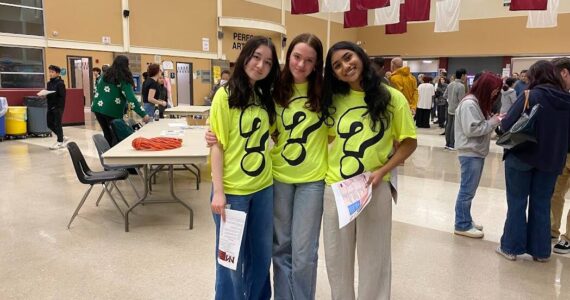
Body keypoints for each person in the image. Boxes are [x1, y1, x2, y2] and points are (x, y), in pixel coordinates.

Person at [322, 41, 417, 300]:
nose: (345, 66)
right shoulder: (334, 100)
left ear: (361, 56)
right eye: (337, 65)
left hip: (374, 187)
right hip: (336, 189)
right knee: (336, 259)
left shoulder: (391, 98)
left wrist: (383, 170)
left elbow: (409, 142)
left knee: (374, 259)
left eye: (348, 57)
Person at [209, 36, 280, 300]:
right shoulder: (224, 96)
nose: (261, 65)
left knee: (261, 257)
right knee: (230, 261)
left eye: (268, 62)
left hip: (263, 189)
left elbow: (276, 135)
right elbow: (217, 145)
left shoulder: (265, 98)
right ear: (245, 57)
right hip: (232, 193)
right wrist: (219, 191)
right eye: (256, 57)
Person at [269, 33, 327, 300]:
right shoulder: (274, 90)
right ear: (288, 55)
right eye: (296, 57)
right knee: (281, 247)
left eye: (309, 60)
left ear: (316, 65)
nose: (301, 64)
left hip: (312, 181)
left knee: (304, 253)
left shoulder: (326, 93)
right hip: (280, 176)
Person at [497, 60, 570, 262]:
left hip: (522, 155)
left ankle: (511, 248)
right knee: (542, 203)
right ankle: (541, 251)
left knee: (517, 202)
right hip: (552, 160)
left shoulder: (531, 95)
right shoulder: (567, 100)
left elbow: (507, 125)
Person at [453, 73, 504, 238]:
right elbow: (472, 129)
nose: (495, 94)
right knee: (467, 191)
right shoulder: (470, 104)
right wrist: (493, 121)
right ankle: (461, 224)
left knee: (469, 190)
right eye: (494, 90)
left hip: (475, 152)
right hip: (470, 153)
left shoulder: (476, 103)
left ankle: (465, 219)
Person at [91, 55, 150, 146]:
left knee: (107, 133)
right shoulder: (123, 78)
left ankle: (108, 154)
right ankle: (114, 155)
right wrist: (143, 114)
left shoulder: (105, 75)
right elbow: (131, 99)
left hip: (97, 108)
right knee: (116, 135)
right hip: (111, 110)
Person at [550, 57, 570, 254]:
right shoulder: (560, 94)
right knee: (556, 193)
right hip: (563, 152)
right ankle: (552, 229)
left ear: (564, 72)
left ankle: (569, 237)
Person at [443, 68, 467, 150]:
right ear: (462, 75)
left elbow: (444, 95)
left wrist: (450, 100)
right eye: (465, 75)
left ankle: (447, 143)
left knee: (448, 126)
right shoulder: (461, 86)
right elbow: (462, 100)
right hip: (457, 109)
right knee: (454, 127)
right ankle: (452, 144)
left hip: (450, 108)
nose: (466, 77)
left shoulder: (450, 84)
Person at [46, 65, 67, 150]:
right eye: (50, 72)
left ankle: (60, 142)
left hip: (58, 107)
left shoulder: (60, 84)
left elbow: (62, 96)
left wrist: (58, 107)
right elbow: (49, 94)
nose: (50, 74)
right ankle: (62, 137)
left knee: (58, 124)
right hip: (50, 106)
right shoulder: (49, 83)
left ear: (57, 73)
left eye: (52, 72)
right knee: (49, 124)